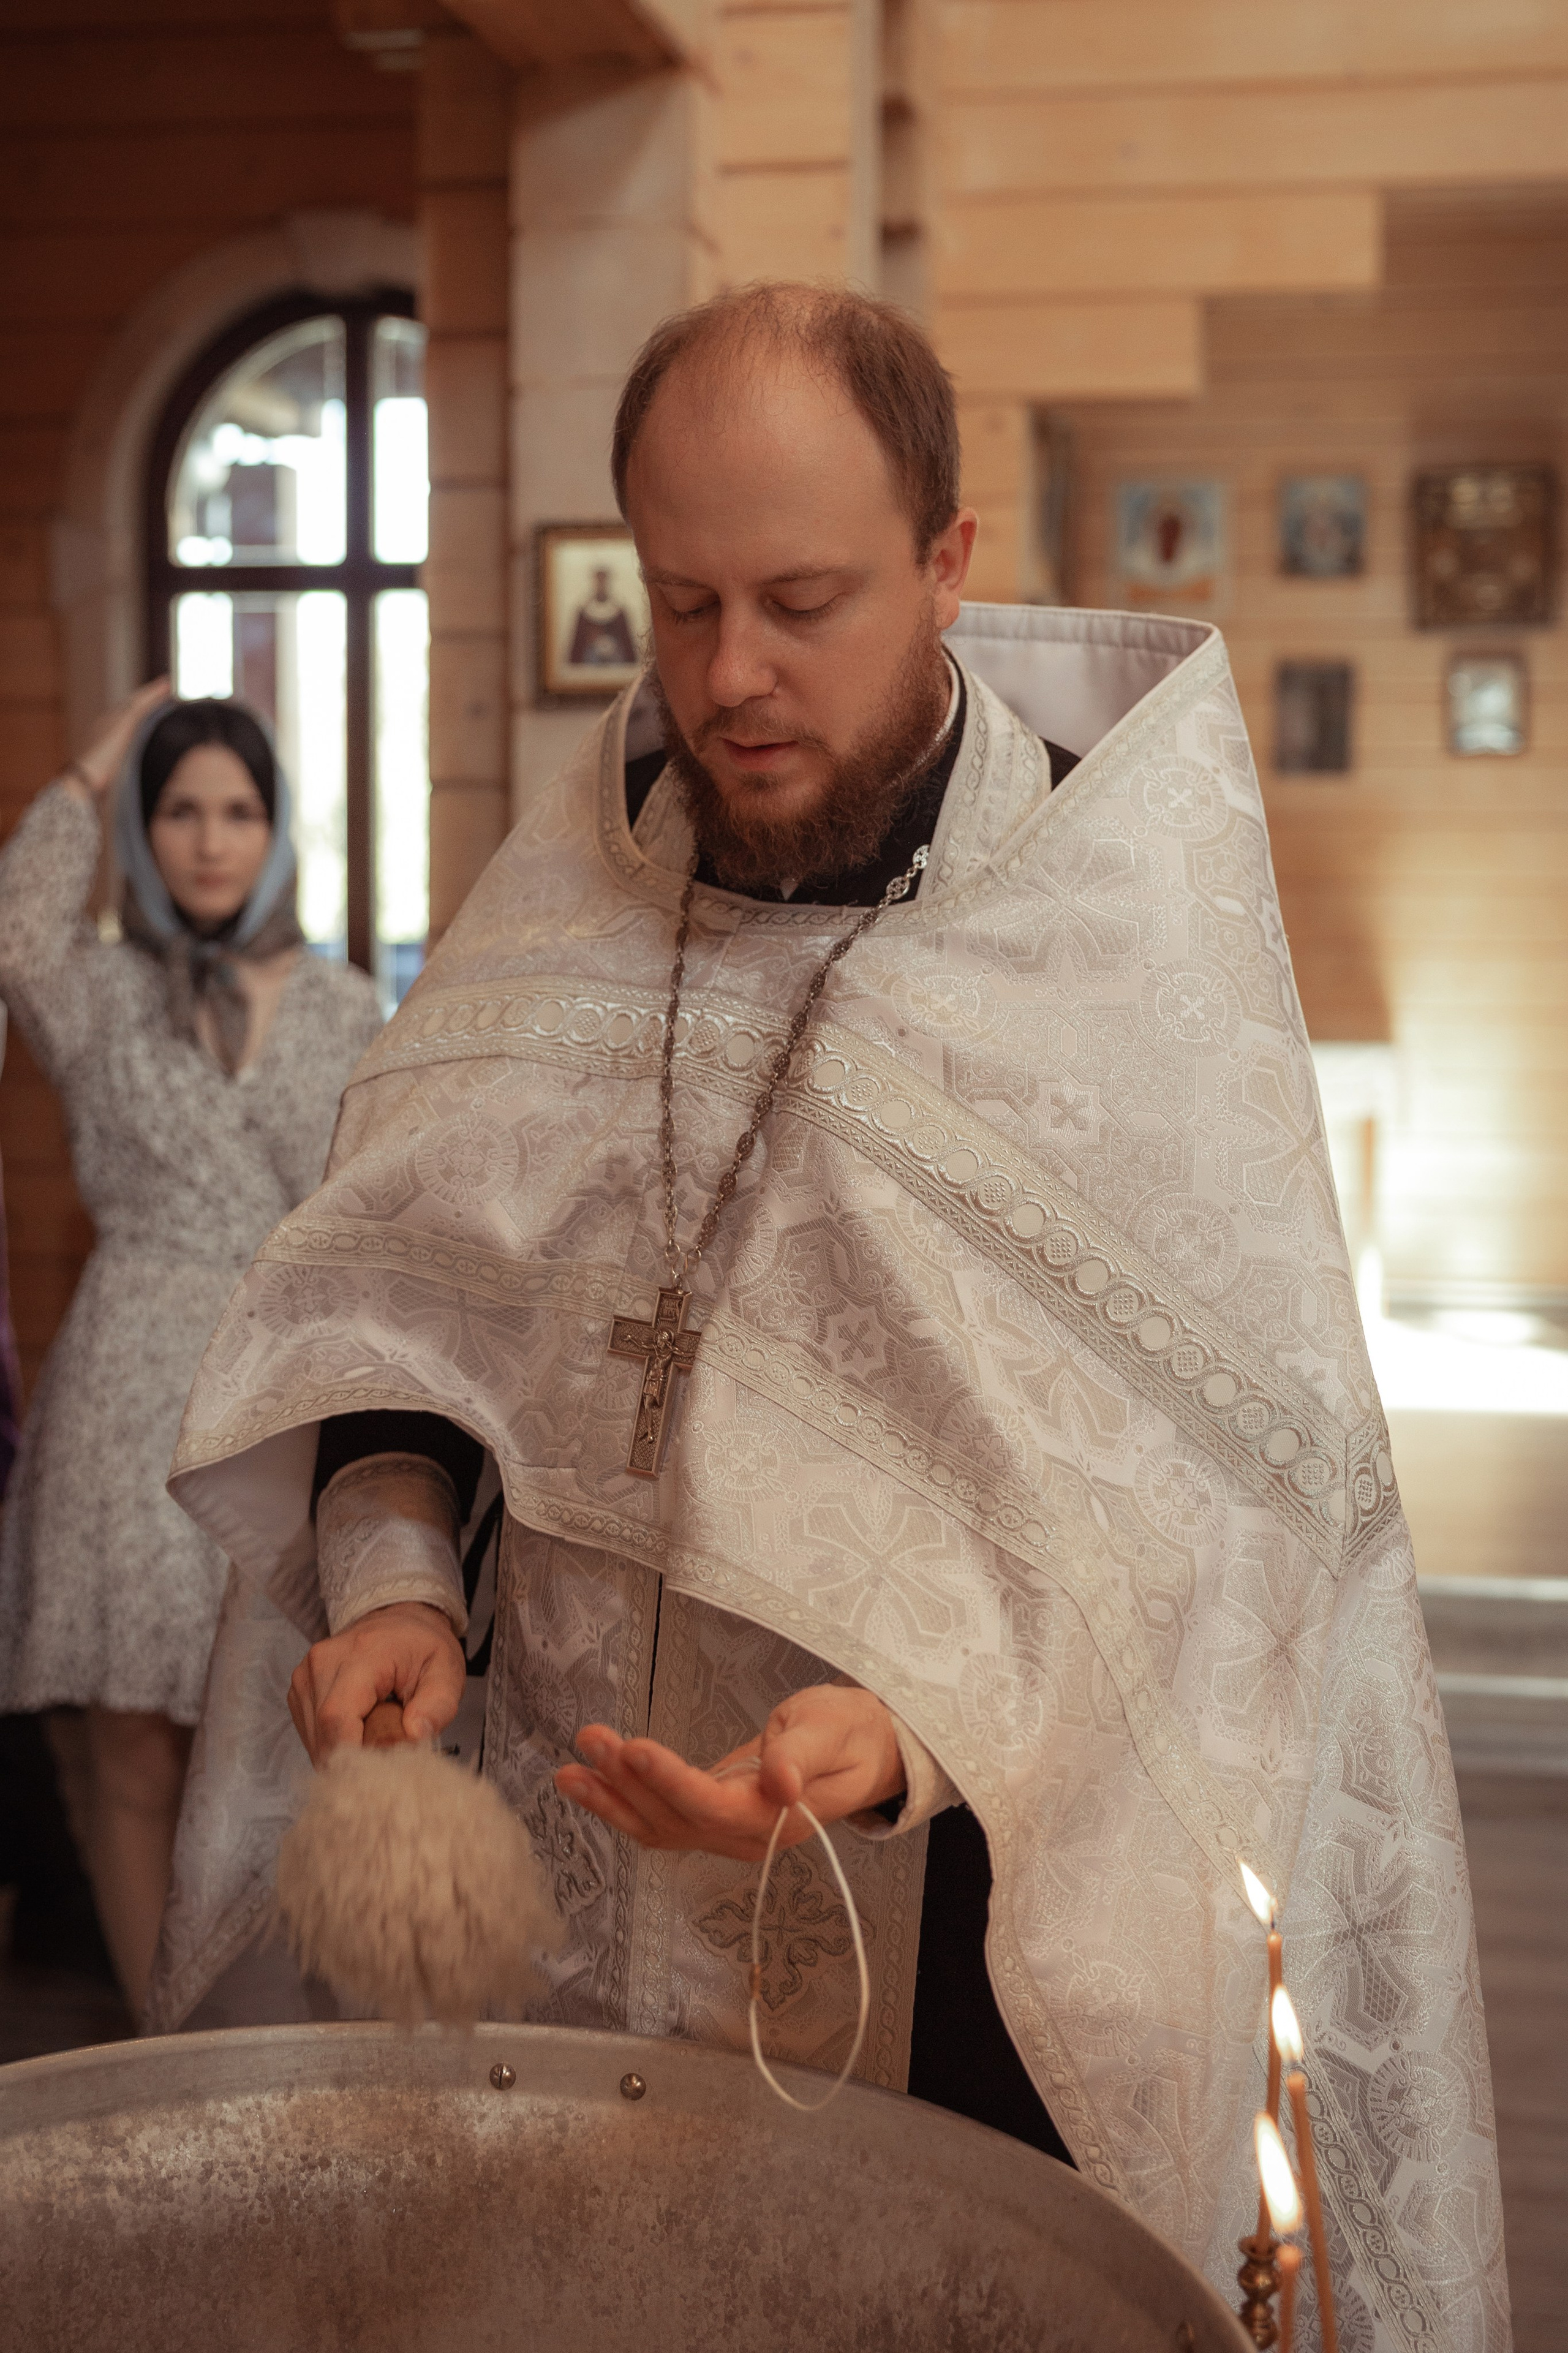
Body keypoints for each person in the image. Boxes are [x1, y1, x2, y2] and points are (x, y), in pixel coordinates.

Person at [156, 287, 1505, 2352]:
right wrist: (405, 1584)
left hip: (938, 1958)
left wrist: (909, 1743)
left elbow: (1227, 1527)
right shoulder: (567, 898)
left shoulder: (1100, 943)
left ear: (948, 563)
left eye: (802, 599)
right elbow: (405, 1333)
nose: (730, 676)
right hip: (561, 1889)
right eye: (677, 604)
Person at [0, 685, 382, 2015]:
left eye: (238, 810)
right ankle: (165, 2047)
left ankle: (279, 2040)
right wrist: (94, 763)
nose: (210, 841)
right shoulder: (97, 993)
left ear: (276, 832)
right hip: (122, 1391)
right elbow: (11, 930)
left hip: (276, 1390)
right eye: (178, 810)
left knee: (279, 1731)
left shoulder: (344, 1006)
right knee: (125, 1746)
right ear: (143, 831)